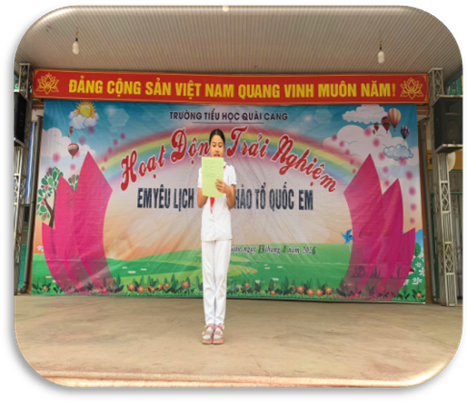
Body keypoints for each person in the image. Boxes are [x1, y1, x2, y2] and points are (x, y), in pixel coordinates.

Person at [197, 128, 236, 345]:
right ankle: (209, 323)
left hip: (223, 230)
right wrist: (207, 185)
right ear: (209, 147)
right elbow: (199, 202)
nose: (217, 148)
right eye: (214, 145)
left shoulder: (230, 170)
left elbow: (232, 203)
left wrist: (227, 190)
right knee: (208, 277)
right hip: (207, 229)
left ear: (224, 148)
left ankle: (219, 324)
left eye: (220, 145)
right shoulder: (203, 170)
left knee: (220, 276)